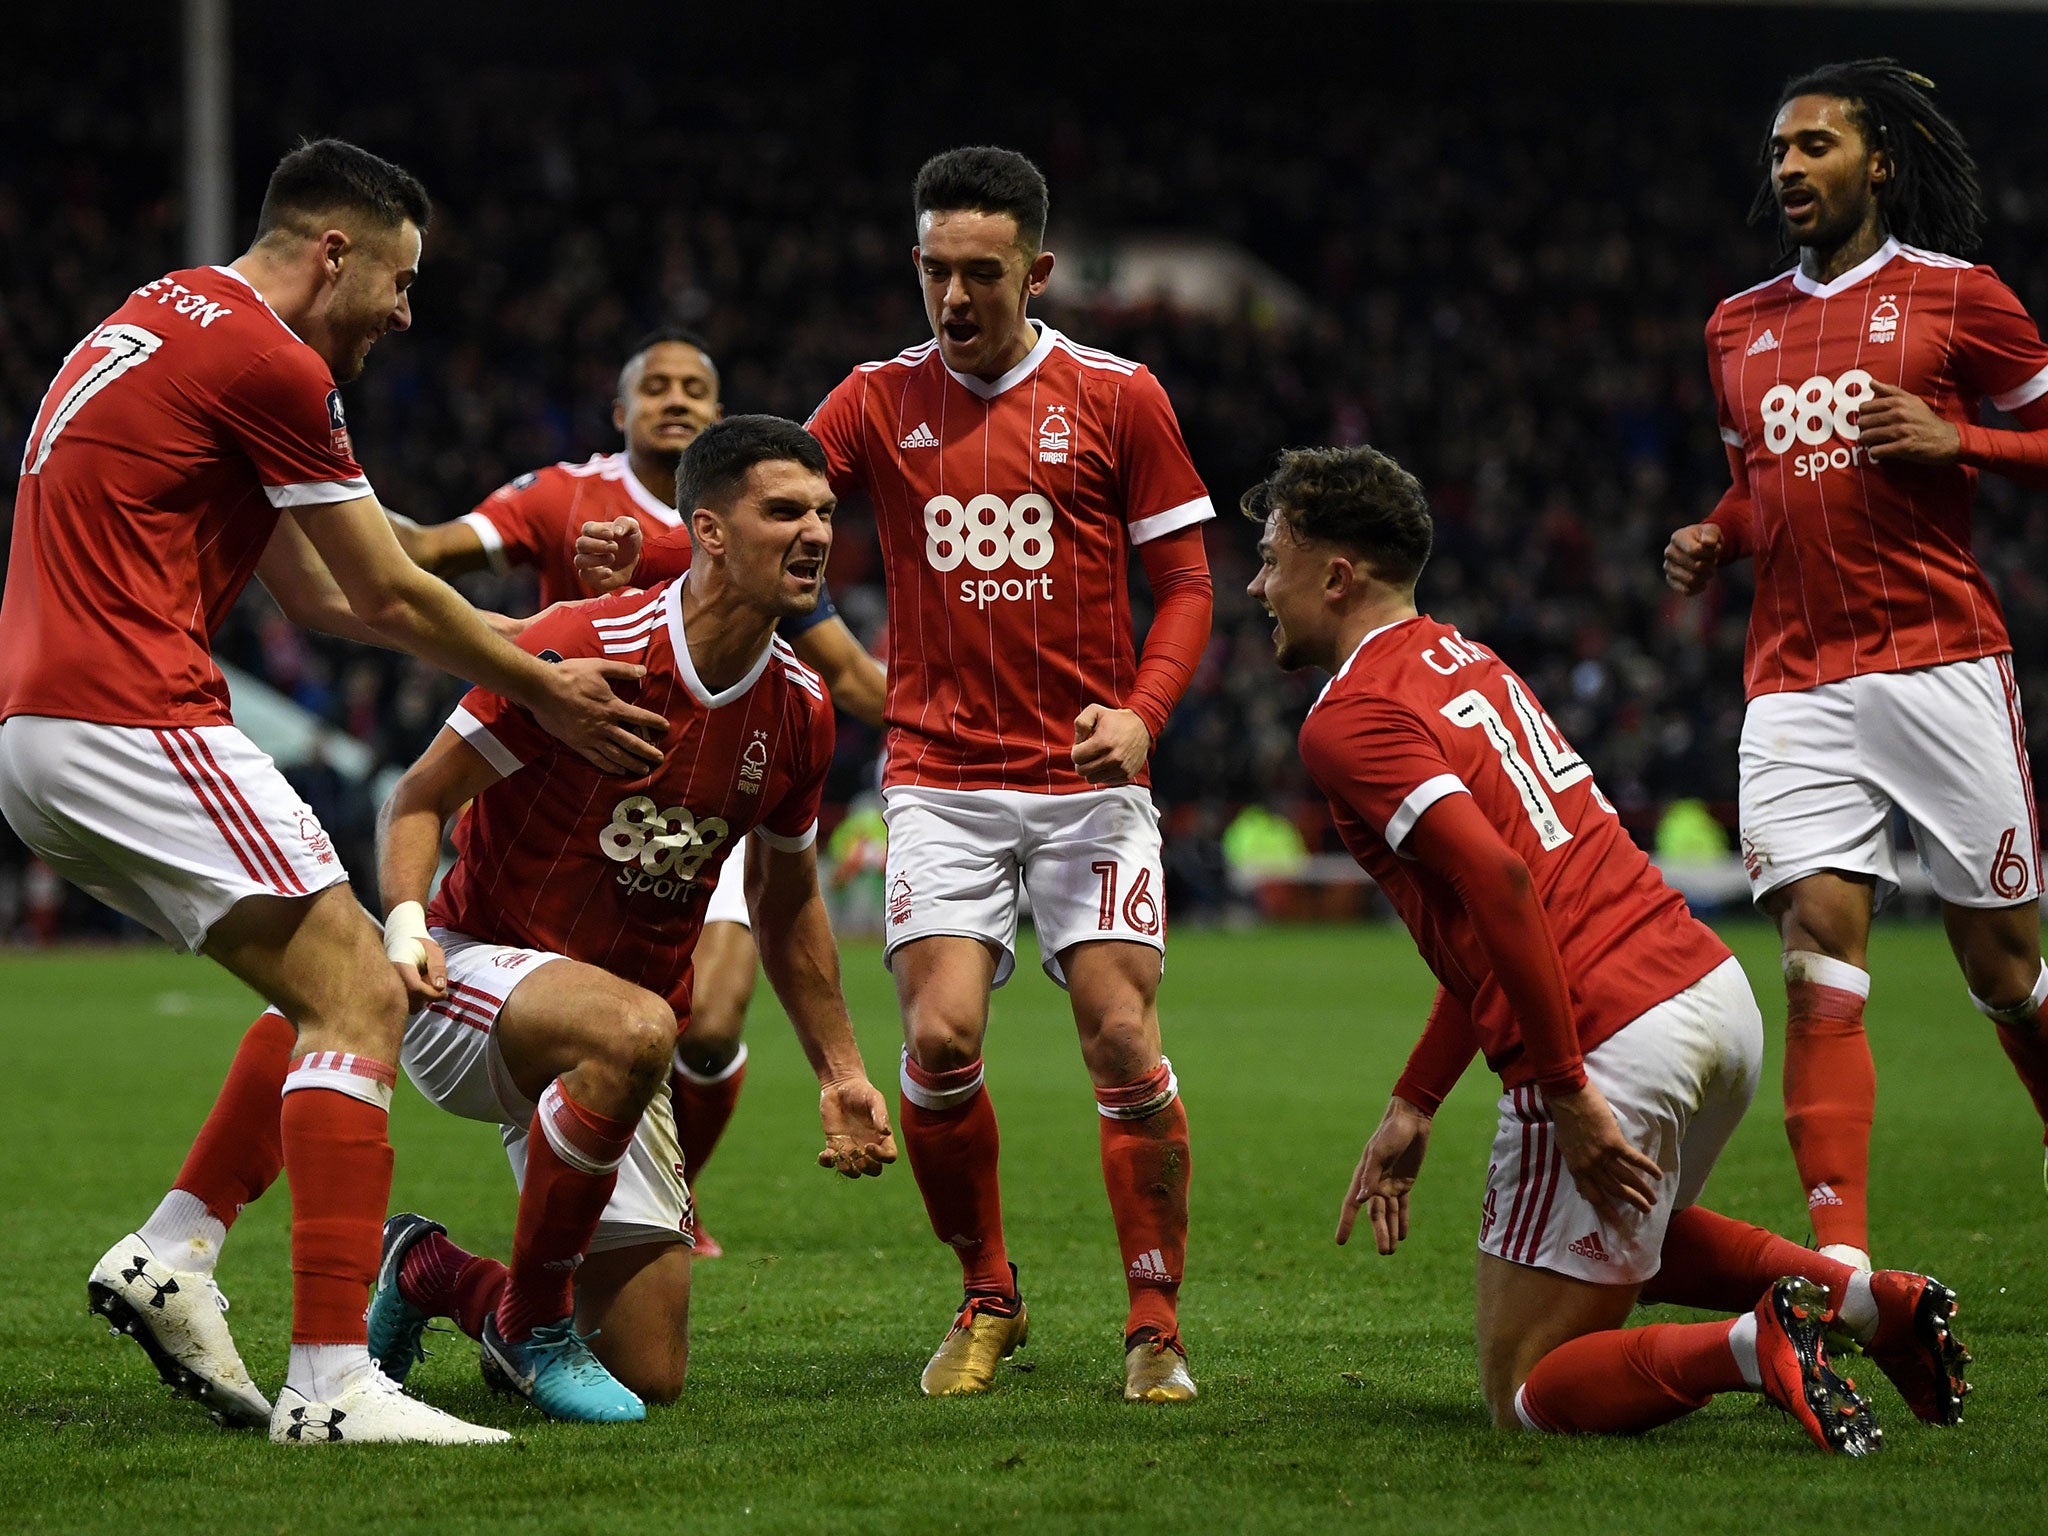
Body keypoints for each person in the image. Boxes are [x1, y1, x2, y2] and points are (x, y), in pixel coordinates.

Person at [0, 139, 667, 1446]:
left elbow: (316, 594)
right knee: (366, 992)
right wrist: (542, 676)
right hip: (130, 709)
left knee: (330, 980)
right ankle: (332, 1383)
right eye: (401, 281)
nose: (406, 314)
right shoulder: (272, 359)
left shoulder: (156, 310)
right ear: (335, 252)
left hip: (43, 723)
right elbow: (383, 589)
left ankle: (174, 1254)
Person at [579, 146, 1214, 1401]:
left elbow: (1186, 584)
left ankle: (1153, 1322)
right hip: (939, 777)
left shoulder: (1118, 396)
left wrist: (1142, 714)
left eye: (983, 272)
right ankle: (987, 1294)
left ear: (1034, 270)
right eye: (935, 271)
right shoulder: (875, 402)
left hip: (1088, 783)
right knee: (934, 1042)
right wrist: (651, 552)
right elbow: (759, 515)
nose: (956, 296)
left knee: (1122, 1039)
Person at [1250, 444, 1969, 1452]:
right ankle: (1864, 1303)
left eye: (1270, 555)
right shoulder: (1470, 662)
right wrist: (1415, 1099)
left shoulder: (1348, 718)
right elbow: (1492, 917)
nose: (1256, 582)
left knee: (1523, 1389)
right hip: (1706, 994)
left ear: (1335, 573)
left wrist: (1561, 1088)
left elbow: (1500, 886)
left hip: (1609, 1037)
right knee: (1634, 1230)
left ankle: (1747, 1347)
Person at [355, 415, 895, 1423]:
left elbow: (785, 903)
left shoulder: (798, 710)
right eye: (783, 511)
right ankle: (531, 1328)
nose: (815, 532)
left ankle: (432, 1271)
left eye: (824, 512)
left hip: (618, 1038)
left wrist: (842, 1071)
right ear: (709, 531)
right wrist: (403, 923)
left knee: (648, 1372)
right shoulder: (584, 642)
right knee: (641, 1025)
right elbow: (418, 798)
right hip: (471, 974)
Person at [1663, 60, 2048, 1270]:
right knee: (1815, 953)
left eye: (1814, 145)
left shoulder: (1957, 297)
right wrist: (1711, 535)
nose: (1787, 166)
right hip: (1791, 680)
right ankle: (1841, 1265)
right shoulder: (1735, 326)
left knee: (2002, 966)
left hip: (1940, 666)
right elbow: (1752, 485)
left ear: (1876, 163)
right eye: (1777, 149)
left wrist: (1959, 439)